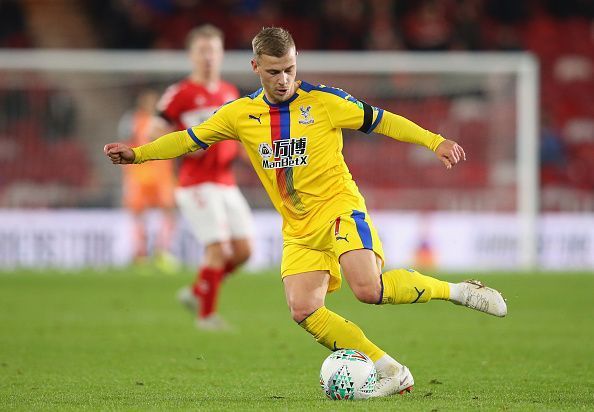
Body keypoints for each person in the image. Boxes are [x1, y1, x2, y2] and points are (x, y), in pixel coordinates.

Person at [105, 27, 507, 397]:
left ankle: (458, 291)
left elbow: (382, 121)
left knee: (368, 290)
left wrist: (433, 141)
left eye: (290, 69)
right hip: (298, 228)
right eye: (275, 71)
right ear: (256, 67)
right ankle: (391, 370)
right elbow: (188, 139)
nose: (283, 80)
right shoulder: (238, 114)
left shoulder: (325, 102)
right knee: (303, 310)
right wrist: (138, 154)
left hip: (339, 209)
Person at [147, 24, 253, 330]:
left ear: (221, 55)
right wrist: (183, 144)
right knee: (217, 250)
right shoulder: (179, 94)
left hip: (225, 182)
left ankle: (197, 291)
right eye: (202, 51)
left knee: (244, 252)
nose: (209, 57)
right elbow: (154, 131)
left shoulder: (229, 93)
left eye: (214, 51)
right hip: (195, 183)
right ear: (191, 55)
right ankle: (206, 317)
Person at [117, 89, 177, 270]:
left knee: (168, 212)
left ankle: (161, 252)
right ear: (141, 103)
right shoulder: (133, 121)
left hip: (161, 174)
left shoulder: (163, 121)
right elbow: (123, 145)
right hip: (141, 175)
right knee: (140, 215)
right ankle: (141, 254)